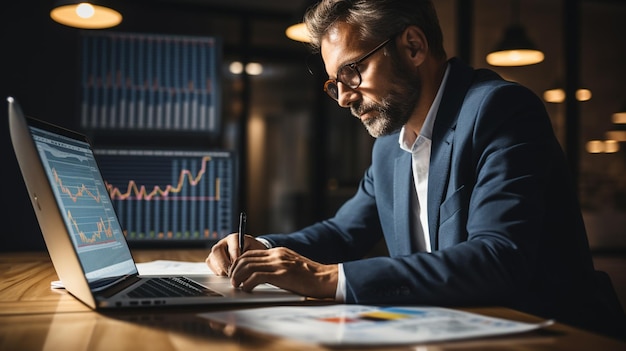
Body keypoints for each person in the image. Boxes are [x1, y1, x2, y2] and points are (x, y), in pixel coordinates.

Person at [207, 0, 625, 339]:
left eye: (353, 72)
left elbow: (498, 257)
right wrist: (259, 246)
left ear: (412, 46)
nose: (343, 99)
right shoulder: (390, 146)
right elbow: (342, 233)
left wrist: (326, 279)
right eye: (336, 82)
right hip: (451, 333)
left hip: (554, 335)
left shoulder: (500, 110)